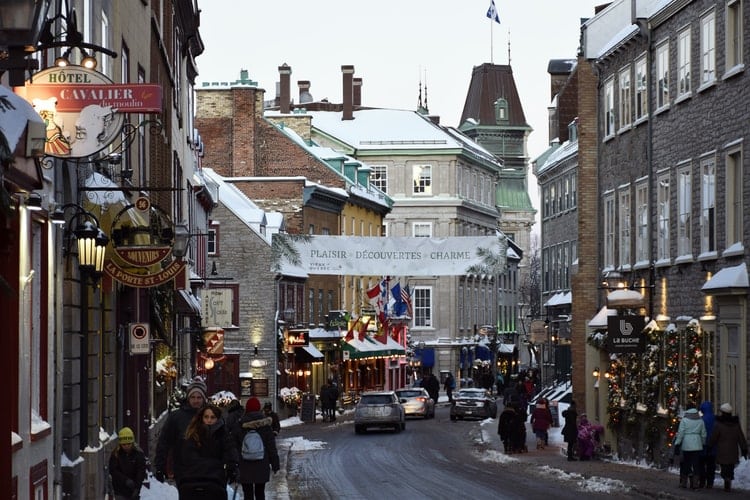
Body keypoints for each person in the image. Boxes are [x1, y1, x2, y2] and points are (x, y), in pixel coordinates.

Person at [154, 377, 208, 485]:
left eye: (199, 397)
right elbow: (164, 442)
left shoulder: (211, 416)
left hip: (207, 470)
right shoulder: (177, 417)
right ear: (188, 398)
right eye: (193, 397)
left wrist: (231, 464)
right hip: (184, 470)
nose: (196, 400)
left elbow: (225, 441)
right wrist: (160, 466)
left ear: (203, 398)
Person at [178, 403, 239, 499]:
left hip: (215, 479)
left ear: (217, 418)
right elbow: (188, 455)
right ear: (202, 417)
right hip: (194, 478)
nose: (209, 420)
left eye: (212, 417)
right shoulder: (194, 434)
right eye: (206, 417)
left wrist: (232, 467)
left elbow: (230, 451)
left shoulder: (223, 434)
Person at [237, 397, 280, 500]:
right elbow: (271, 447)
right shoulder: (265, 426)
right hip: (262, 464)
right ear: (259, 408)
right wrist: (275, 464)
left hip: (244, 465)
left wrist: (234, 464)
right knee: (260, 493)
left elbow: (234, 445)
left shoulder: (240, 425)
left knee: (247, 494)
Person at [707, 403, 748, 492]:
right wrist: (744, 449)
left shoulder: (719, 424)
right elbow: (741, 437)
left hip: (722, 450)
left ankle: (726, 479)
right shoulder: (736, 424)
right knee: (730, 466)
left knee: (724, 466)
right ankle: (728, 478)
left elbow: (714, 436)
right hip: (733, 450)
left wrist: (710, 446)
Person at [673, 401, 706, 489]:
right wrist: (703, 443)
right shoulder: (700, 420)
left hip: (686, 445)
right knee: (696, 465)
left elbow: (681, 433)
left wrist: (677, 444)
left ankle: (684, 483)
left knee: (686, 464)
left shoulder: (684, 420)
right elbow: (703, 434)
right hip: (697, 445)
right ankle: (695, 484)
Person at [108, 427, 147, 500]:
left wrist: (137, 488)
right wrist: (125, 480)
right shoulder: (116, 454)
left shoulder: (138, 454)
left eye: (129, 444)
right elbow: (113, 470)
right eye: (124, 444)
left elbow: (141, 471)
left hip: (133, 489)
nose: (126, 446)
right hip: (119, 489)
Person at [697, 401, 717, 489]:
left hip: (703, 445)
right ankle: (710, 482)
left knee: (701, 464)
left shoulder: (701, 420)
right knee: (711, 465)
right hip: (713, 445)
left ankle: (702, 481)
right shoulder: (715, 419)